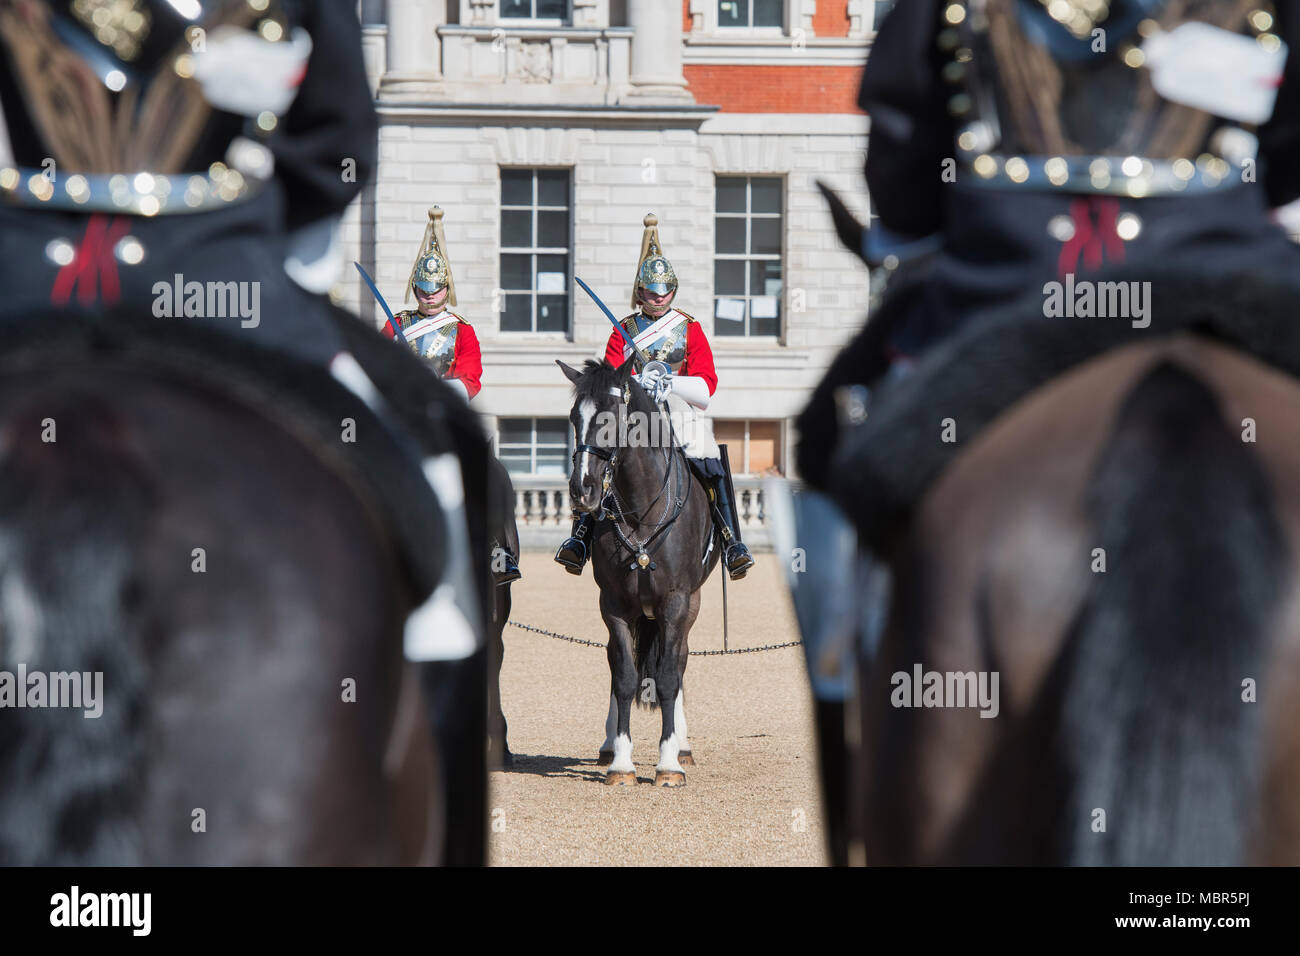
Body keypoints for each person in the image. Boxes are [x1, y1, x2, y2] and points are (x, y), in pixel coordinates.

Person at [798, 0, 1300, 489]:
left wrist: (918, 227)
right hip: (1218, 270)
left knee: (827, 441)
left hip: (1010, 274)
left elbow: (902, 134)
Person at [554, 214, 756, 581]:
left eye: (664, 292)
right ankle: (580, 536)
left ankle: (730, 540)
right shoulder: (623, 330)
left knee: (706, 449)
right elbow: (609, 379)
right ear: (640, 291)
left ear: (673, 291)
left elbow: (706, 384)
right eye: (651, 291)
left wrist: (672, 385)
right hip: (632, 409)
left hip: (677, 408)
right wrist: (636, 382)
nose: (658, 298)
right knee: (598, 448)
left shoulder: (688, 328)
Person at [385, 207, 520, 585]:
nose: (430, 296)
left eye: (437, 289)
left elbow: (471, 378)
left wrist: (434, 387)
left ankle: (496, 548)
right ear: (416, 289)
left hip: (444, 417)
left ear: (448, 288)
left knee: (482, 472)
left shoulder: (462, 331)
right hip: (403, 417)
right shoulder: (396, 325)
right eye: (424, 290)